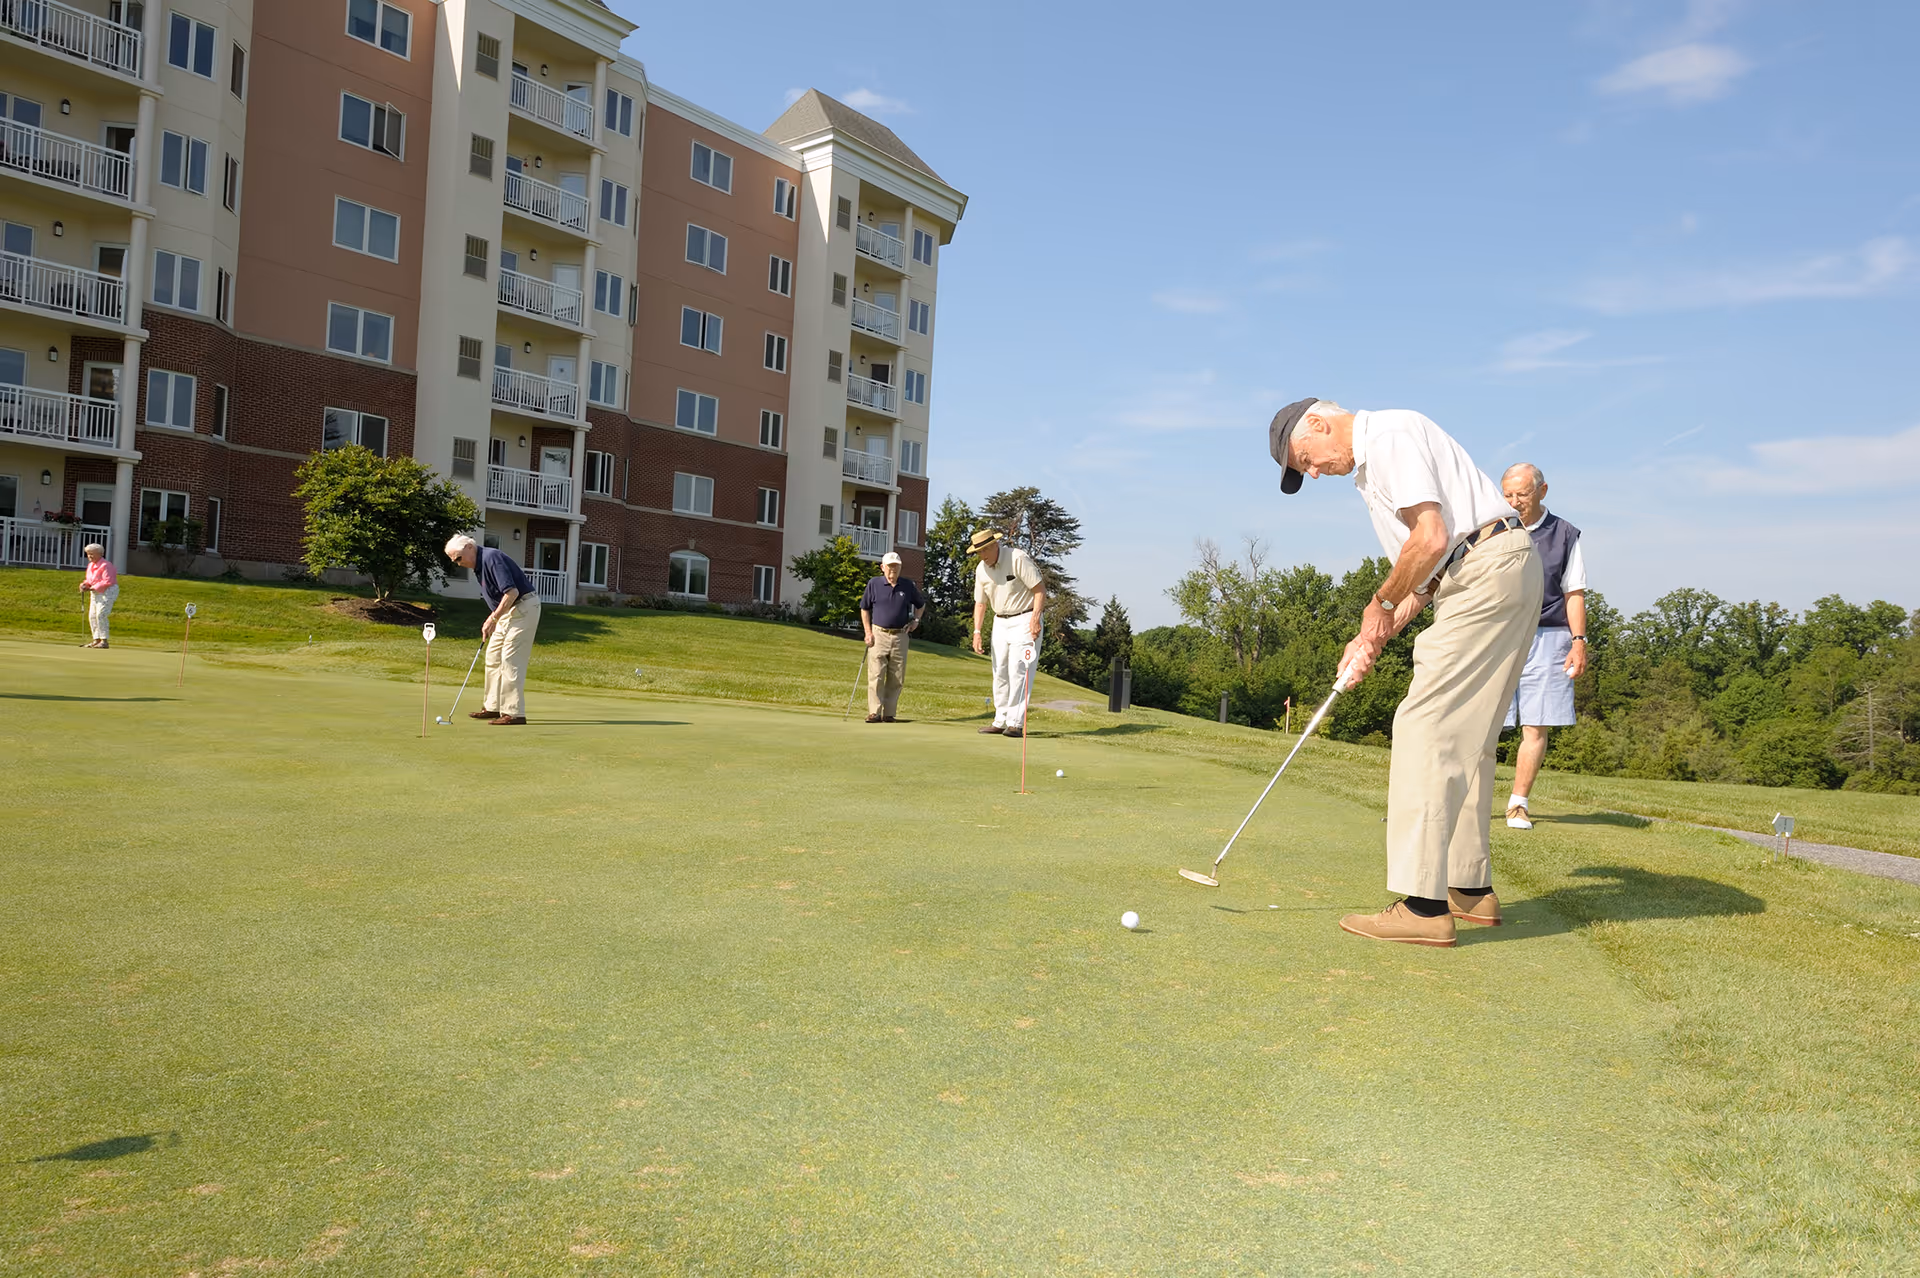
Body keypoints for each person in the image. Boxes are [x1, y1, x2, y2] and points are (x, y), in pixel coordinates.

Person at [1270, 397, 1542, 947]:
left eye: (1309, 458)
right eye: (1307, 471)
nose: (1316, 472)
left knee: (1423, 726)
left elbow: (1432, 540)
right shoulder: (1373, 471)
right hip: (1496, 570)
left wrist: (1377, 603)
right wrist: (1373, 635)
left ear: (1319, 424)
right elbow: (1425, 580)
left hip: (1484, 573)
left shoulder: (1389, 435)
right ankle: (1470, 888)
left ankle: (1422, 907)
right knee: (1469, 739)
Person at [1498, 463, 1589, 830]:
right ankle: (1469, 800)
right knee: (1486, 724)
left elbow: (1574, 592)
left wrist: (1579, 642)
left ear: (1542, 491)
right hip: (1499, 635)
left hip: (1550, 635)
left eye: (1522, 494)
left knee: (1535, 726)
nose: (1514, 501)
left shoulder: (1565, 534)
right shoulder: (1494, 528)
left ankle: (1518, 804)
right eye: (1508, 494)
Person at [443, 533, 541, 726]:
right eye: (454, 560)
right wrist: (495, 617)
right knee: (493, 656)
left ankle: (513, 713)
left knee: (510, 659)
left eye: (458, 558)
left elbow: (511, 592)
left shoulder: (491, 558)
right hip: (508, 611)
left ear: (470, 547)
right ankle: (492, 706)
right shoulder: (479, 565)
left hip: (523, 607)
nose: (457, 563)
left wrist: (493, 617)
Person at [969, 528, 1046, 739]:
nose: (982, 555)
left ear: (996, 545)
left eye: (985, 550)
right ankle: (1000, 720)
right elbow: (980, 603)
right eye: (979, 552)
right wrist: (977, 632)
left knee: (1018, 670)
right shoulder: (981, 569)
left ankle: (1015, 723)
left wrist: (1035, 619)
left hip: (1025, 617)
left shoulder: (1017, 558)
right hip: (1000, 621)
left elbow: (1039, 590)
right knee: (999, 671)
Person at [859, 551, 926, 723]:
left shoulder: (907, 585)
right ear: (883, 567)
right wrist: (867, 632)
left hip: (900, 635)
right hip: (878, 634)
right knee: (876, 675)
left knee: (896, 677)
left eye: (896, 567)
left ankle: (889, 714)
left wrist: (916, 621)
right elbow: (864, 608)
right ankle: (874, 712)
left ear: (900, 568)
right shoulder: (874, 584)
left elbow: (920, 605)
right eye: (890, 567)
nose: (892, 570)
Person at [78, 543, 118, 649]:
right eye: (88, 554)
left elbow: (108, 581)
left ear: (100, 554)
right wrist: (85, 585)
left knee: (101, 614)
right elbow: (90, 580)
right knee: (92, 615)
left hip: (108, 591)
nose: (90, 556)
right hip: (95, 592)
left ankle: (104, 641)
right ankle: (96, 639)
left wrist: (92, 588)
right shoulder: (91, 565)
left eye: (92, 554)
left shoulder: (106, 565)